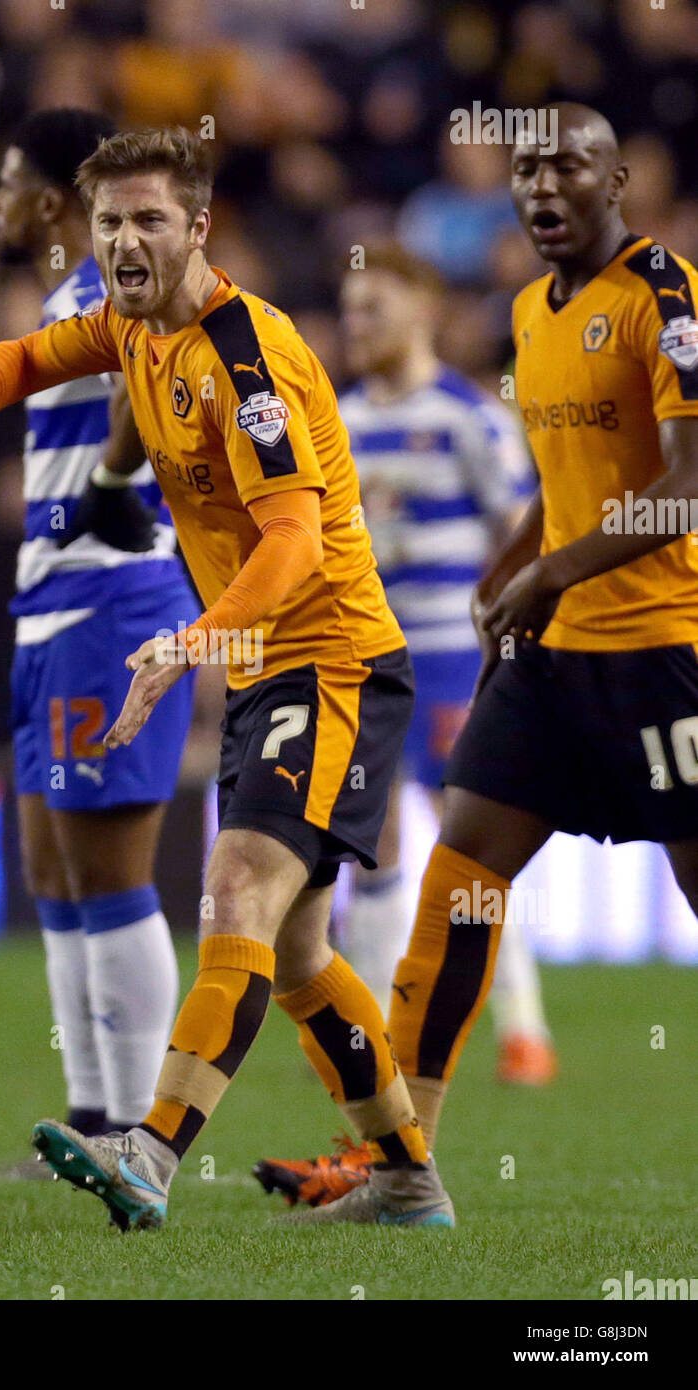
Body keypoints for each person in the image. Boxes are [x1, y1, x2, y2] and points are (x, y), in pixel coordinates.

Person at [0, 125, 455, 1232]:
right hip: (265, 664)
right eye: (108, 223)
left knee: (235, 887)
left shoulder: (246, 357)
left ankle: (149, 1150)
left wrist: (193, 640)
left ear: (199, 228)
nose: (125, 240)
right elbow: (33, 355)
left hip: (329, 655)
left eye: (149, 219)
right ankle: (407, 1177)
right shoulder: (130, 325)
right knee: (293, 956)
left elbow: (291, 540)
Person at [291, 102, 698, 1224]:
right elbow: (554, 481)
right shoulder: (528, 308)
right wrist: (507, 573)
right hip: (554, 657)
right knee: (458, 874)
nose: (541, 185)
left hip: (663, 652)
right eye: (523, 169)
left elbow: (688, 482)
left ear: (617, 177)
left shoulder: (665, 295)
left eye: (566, 163)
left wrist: (551, 569)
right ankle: (405, 1168)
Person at [253, 242, 558, 1209]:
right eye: (348, 309)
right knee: (378, 850)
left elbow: (524, 529)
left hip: (460, 663)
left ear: (421, 311)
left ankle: (523, 1027)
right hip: (377, 663)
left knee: (475, 848)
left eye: (375, 307)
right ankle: (378, 1048)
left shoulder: (470, 417)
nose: (359, 324)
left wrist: (502, 647)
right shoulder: (339, 419)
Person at [0, 109, 199, 1141]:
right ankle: (89, 1113)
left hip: (113, 597)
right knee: (51, 870)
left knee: (111, 872)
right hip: (47, 606)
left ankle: (135, 1131)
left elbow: (160, 373)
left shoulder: (123, 293)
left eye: (9, 181)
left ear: (54, 199)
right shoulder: (62, 301)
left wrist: (117, 480)